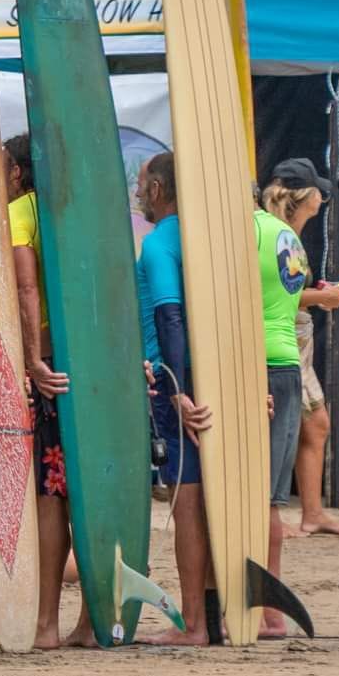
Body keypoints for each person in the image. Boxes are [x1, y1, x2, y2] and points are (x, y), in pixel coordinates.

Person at [3, 133, 89, 649]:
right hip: (95, 363)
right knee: (90, 489)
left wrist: (32, 357)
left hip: (51, 362)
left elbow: (25, 286)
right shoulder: (81, 210)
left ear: (17, 173)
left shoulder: (20, 212)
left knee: (52, 494)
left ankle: (48, 623)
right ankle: (94, 622)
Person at [134, 153, 219, 644]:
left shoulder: (161, 243)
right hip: (214, 377)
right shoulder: (207, 239)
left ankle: (195, 624)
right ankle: (220, 615)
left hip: (174, 384)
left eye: (143, 184)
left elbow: (170, 317)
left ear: (160, 189)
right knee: (211, 497)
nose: (140, 193)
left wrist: (178, 390)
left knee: (187, 500)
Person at [261, 159, 339, 535]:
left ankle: (310, 513)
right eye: (316, 189)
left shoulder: (286, 234)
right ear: (305, 196)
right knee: (303, 424)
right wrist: (321, 298)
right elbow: (276, 296)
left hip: (296, 341)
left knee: (314, 425)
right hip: (285, 343)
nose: (322, 196)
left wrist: (317, 293)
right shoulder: (279, 235)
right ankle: (285, 513)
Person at [252, 182, 312, 638]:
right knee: (270, 498)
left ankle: (266, 611)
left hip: (261, 364)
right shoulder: (283, 233)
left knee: (254, 497)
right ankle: (270, 609)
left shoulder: (244, 233)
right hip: (287, 361)